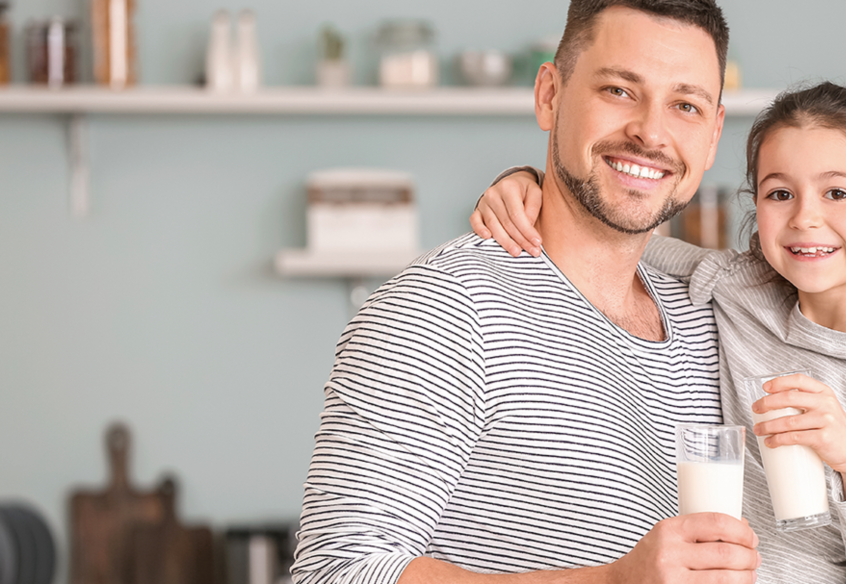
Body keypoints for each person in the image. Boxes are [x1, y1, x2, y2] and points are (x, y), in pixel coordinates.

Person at [290, 1, 764, 583]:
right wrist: (611, 582)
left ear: (713, 134)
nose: (651, 131)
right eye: (618, 90)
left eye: (684, 105)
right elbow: (337, 572)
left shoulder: (715, 320)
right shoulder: (443, 308)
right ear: (549, 95)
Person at [472, 81, 846, 583]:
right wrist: (531, 187)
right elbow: (616, 235)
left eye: (836, 192)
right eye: (780, 193)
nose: (805, 218)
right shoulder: (742, 289)